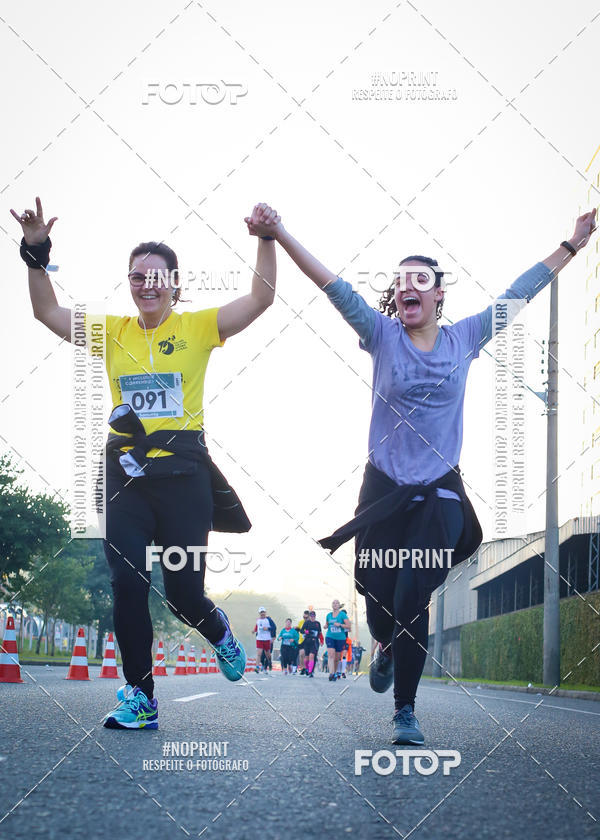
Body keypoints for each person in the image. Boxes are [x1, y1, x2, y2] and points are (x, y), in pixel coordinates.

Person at [265, 207, 597, 743]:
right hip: (384, 489)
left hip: (439, 491)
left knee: (412, 596)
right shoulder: (381, 334)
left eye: (420, 280)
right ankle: (386, 643)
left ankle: (405, 711)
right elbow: (332, 285)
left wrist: (572, 244)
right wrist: (279, 233)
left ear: (439, 294)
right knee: (378, 601)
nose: (407, 288)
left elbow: (519, 293)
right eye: (400, 282)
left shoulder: (464, 338)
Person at [12, 197, 282, 730]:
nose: (147, 285)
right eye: (138, 277)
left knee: (183, 595)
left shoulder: (200, 327)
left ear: (175, 285)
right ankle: (140, 697)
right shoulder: (113, 331)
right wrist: (36, 252)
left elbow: (261, 297)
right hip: (125, 478)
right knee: (128, 582)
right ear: (130, 283)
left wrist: (266, 238)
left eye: (157, 277)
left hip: (183, 478)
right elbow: (47, 313)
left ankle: (218, 631)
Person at [324, 599, 351, 682]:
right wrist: (325, 626)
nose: (335, 604)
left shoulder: (342, 615)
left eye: (337, 603)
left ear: (339, 605)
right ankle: (331, 673)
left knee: (337, 658)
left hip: (340, 638)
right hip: (330, 636)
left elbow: (348, 626)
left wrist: (340, 625)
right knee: (331, 655)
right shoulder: (329, 615)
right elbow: (327, 624)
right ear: (332, 605)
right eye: (333, 603)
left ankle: (335, 672)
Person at [300, 610, 322, 677]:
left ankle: (310, 671)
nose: (312, 617)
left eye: (313, 616)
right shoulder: (307, 622)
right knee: (306, 657)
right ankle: (307, 669)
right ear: (309, 616)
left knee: (312, 656)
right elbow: (301, 630)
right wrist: (306, 632)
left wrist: (321, 640)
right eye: (311, 616)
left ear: (315, 616)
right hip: (307, 641)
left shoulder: (317, 623)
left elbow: (320, 633)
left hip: (314, 641)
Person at [253, 607, 274, 673]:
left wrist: (267, 629)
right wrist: (254, 631)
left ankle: (269, 662)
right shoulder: (258, 620)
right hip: (259, 639)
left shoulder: (269, 620)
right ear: (259, 613)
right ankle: (257, 667)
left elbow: (274, 627)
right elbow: (257, 627)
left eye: (263, 612)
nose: (262, 613)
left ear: (265, 612)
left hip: (267, 639)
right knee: (259, 653)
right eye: (261, 612)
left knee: (268, 654)